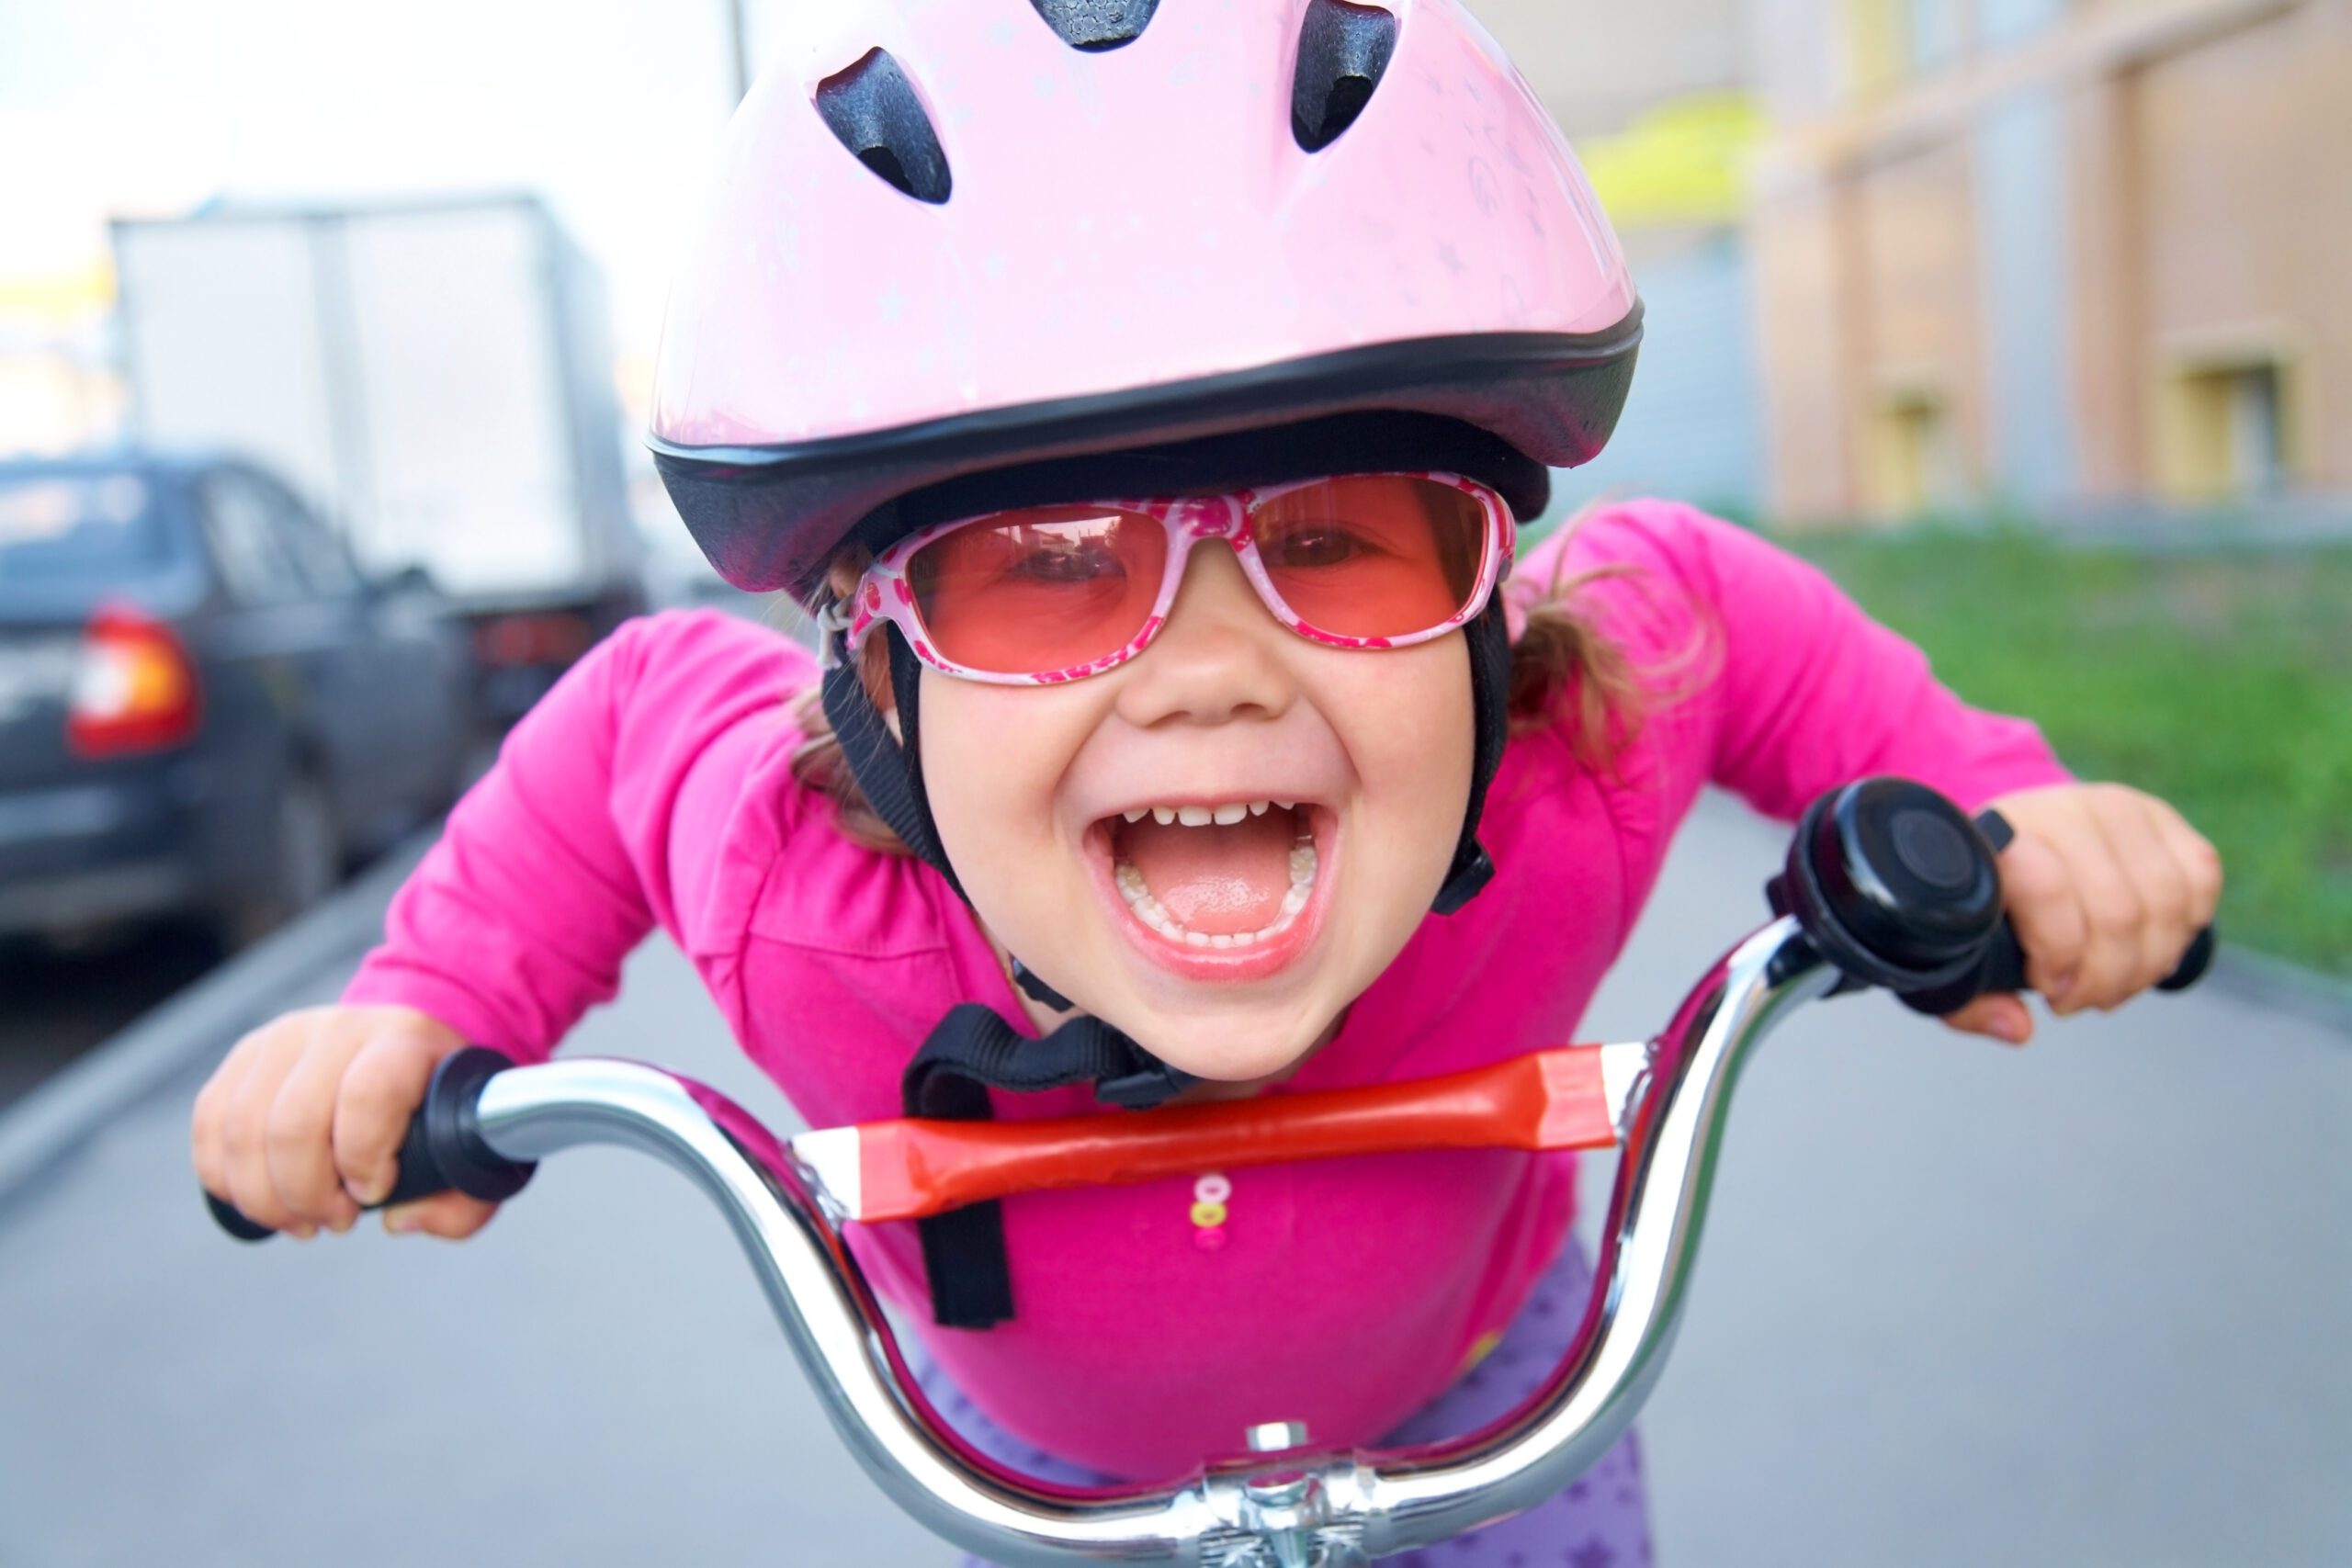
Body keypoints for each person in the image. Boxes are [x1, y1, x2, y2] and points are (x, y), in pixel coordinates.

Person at [188, 5, 2221, 1563]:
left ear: (1490, 618)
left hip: (1492, 1408)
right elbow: (625, 722)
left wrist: (1995, 801)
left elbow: (1711, 603)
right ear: (877, 685)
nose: (1211, 667)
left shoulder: (1568, 758)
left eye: (1339, 531)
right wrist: (417, 1022)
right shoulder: (796, 874)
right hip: (1040, 1483)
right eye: (1047, 573)